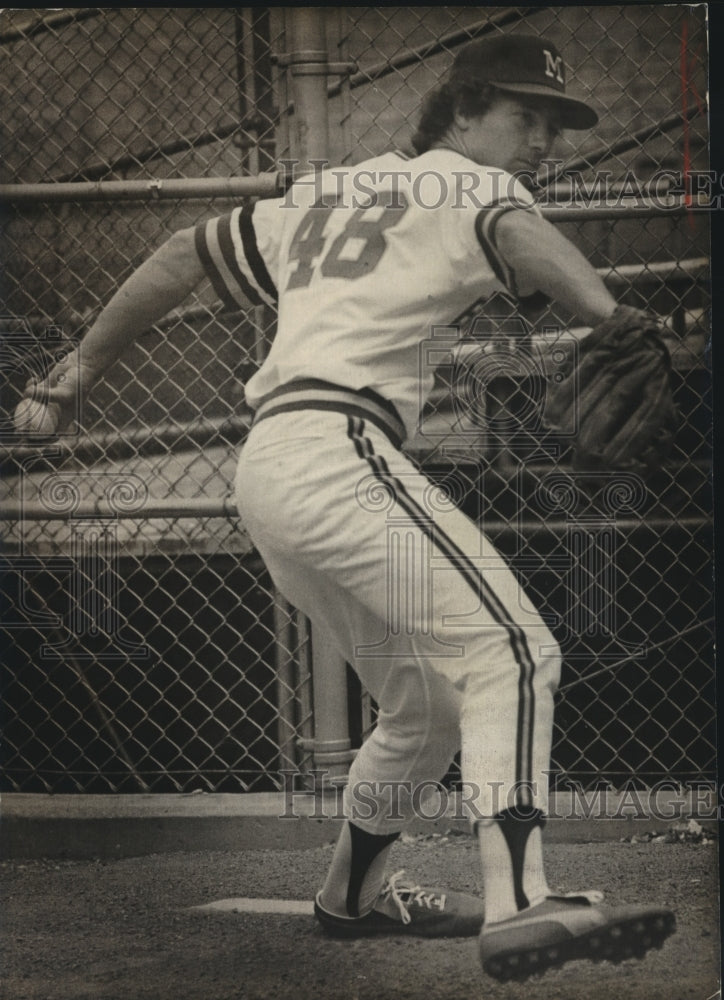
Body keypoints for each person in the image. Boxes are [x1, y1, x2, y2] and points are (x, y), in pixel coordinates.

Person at [17, 34, 675, 981]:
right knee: (513, 650)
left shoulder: (329, 189)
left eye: (553, 124)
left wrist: (80, 367)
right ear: (463, 110)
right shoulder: (472, 181)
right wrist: (613, 318)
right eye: (526, 116)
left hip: (271, 470)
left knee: (423, 708)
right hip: (339, 452)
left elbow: (182, 252)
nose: (544, 141)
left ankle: (351, 897)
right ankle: (522, 903)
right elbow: (516, 232)